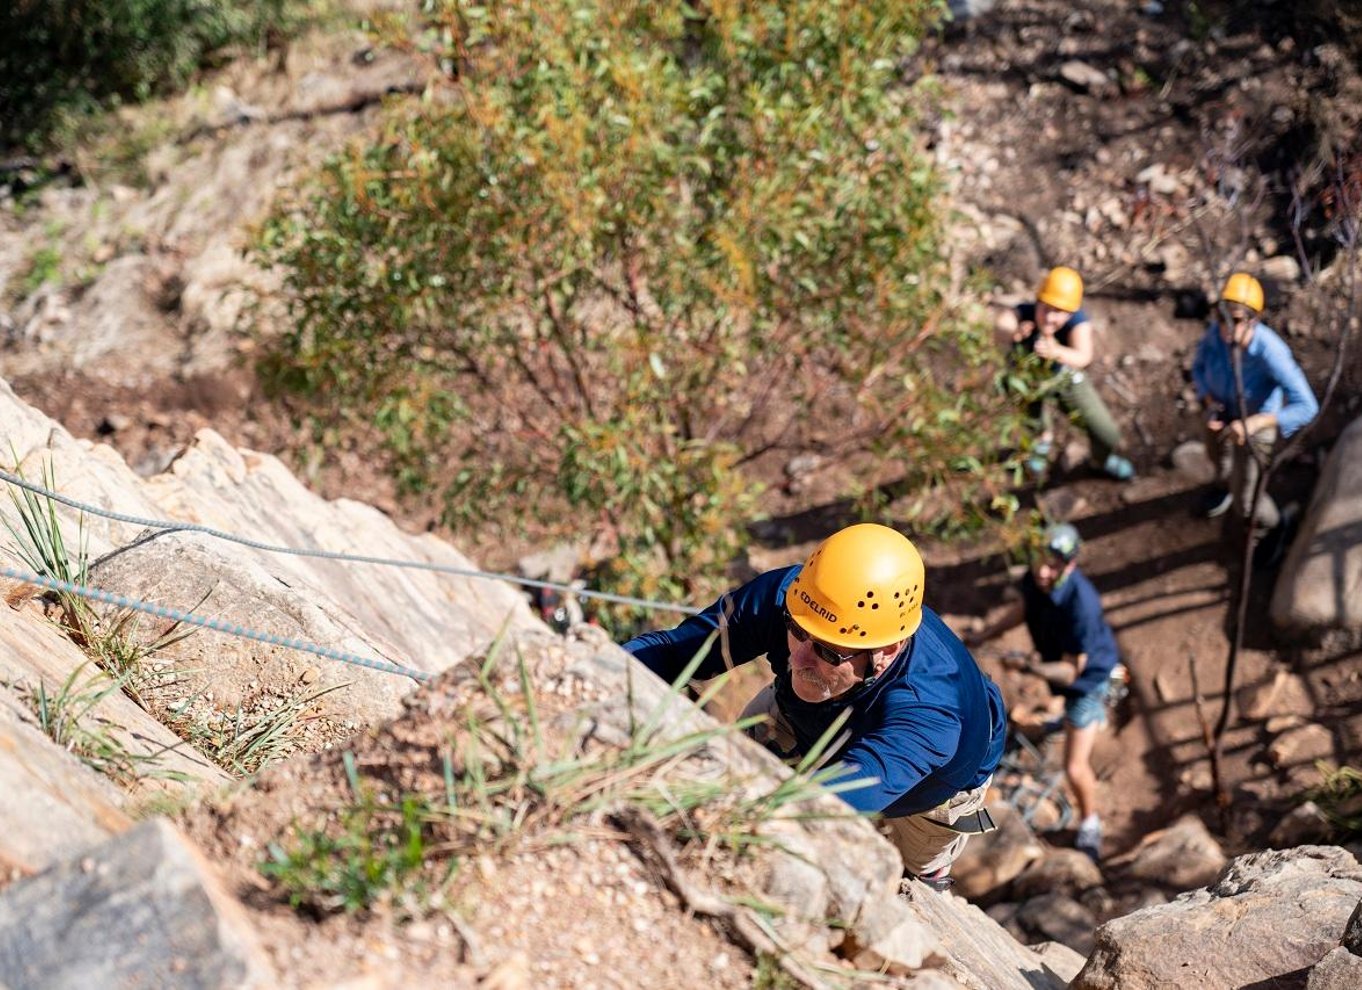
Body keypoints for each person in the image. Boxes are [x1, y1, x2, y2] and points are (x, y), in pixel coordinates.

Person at [624, 523, 1007, 891]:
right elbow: (675, 651)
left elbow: (836, 800)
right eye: (796, 631)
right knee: (733, 771)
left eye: (827, 650)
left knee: (910, 867)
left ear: (886, 652)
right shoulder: (794, 598)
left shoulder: (929, 714)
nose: (800, 658)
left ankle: (930, 869)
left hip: (928, 790)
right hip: (803, 716)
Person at [965, 522, 1119, 863]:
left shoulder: (1082, 606)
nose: (1043, 572)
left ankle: (1091, 824)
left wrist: (1030, 667)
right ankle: (1066, 724)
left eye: (1053, 566)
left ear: (1070, 565)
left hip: (1087, 682)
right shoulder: (1038, 579)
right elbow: (1025, 608)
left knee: (1075, 766)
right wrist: (986, 635)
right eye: (1040, 562)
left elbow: (1072, 671)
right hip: (1064, 668)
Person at [1192, 272, 1318, 535]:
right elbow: (1198, 367)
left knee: (1247, 501)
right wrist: (1208, 400)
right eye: (1221, 317)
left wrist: (1255, 424)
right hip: (1223, 414)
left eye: (1235, 320)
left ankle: (1272, 527)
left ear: (1254, 320)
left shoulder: (1270, 352)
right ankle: (1224, 488)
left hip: (1256, 427)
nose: (1226, 327)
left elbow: (1306, 406)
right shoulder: (1216, 335)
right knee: (1219, 461)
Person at [995, 266, 1136, 481]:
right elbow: (1002, 323)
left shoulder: (1077, 322)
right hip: (1028, 381)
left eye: (1059, 312)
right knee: (1033, 420)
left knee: (1107, 434)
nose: (1050, 318)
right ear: (1038, 301)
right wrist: (1014, 332)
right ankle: (1042, 442)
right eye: (1045, 308)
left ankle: (1100, 460)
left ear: (1070, 312)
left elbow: (1083, 356)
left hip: (1064, 378)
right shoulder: (1026, 313)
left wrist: (1057, 352)